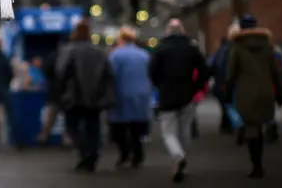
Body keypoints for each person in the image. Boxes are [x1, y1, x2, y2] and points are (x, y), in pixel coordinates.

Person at [225, 15, 282, 179]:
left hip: (246, 93)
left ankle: (257, 166)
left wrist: (227, 92)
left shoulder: (237, 47)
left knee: (252, 129)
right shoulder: (268, 46)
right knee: (259, 125)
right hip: (265, 92)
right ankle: (259, 161)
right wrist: (280, 93)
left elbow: (231, 73)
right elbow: (276, 72)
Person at [149, 19, 208, 183]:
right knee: (185, 130)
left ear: (167, 31)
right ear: (182, 31)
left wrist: (160, 85)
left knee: (168, 131)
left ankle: (177, 155)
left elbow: (152, 72)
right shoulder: (191, 48)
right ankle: (183, 160)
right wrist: (195, 87)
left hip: (167, 95)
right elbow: (204, 70)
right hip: (187, 94)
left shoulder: (160, 49)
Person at [57, 18, 116, 172]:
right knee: (93, 127)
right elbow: (109, 73)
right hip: (95, 96)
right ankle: (92, 155)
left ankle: (84, 151)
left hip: (75, 95)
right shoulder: (99, 51)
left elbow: (62, 73)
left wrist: (60, 92)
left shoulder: (69, 50)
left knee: (71, 125)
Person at [106, 25, 151, 170]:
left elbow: (110, 75)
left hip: (121, 94)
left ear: (121, 39)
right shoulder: (144, 54)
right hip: (142, 95)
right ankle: (138, 155)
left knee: (119, 128)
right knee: (136, 128)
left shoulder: (115, 55)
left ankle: (124, 154)